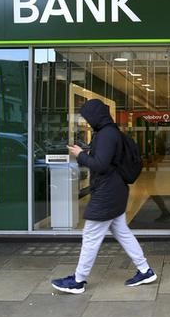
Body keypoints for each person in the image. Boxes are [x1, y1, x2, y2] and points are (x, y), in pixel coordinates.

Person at [51, 99, 157, 294]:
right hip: (113, 189)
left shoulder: (107, 134)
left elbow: (100, 164)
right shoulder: (109, 132)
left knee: (90, 235)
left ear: (95, 115)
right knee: (121, 231)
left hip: (108, 191)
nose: (87, 121)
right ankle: (145, 270)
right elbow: (106, 160)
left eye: (88, 117)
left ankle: (78, 280)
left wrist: (80, 154)